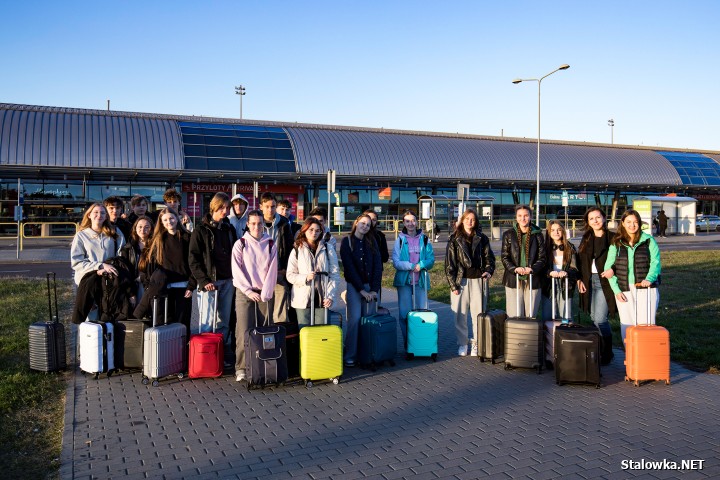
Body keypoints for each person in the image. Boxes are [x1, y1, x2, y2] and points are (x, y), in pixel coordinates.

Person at [132, 207, 196, 336]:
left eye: (171, 218)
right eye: (165, 220)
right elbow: (152, 265)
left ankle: (182, 352)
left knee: (182, 324)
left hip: (183, 287)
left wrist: (192, 284)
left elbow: (194, 262)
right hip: (164, 287)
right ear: (161, 222)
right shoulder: (159, 239)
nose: (169, 222)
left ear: (176, 219)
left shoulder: (187, 237)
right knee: (165, 324)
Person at [231, 209, 278, 382]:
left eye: (259, 223)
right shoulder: (240, 244)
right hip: (245, 293)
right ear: (247, 225)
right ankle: (241, 368)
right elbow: (236, 271)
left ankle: (264, 363)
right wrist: (249, 291)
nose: (257, 226)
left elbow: (273, 269)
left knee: (265, 330)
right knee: (244, 330)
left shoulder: (270, 243)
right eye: (253, 223)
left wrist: (265, 292)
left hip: (264, 293)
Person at [604, 209, 661, 342]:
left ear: (639, 223)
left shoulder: (648, 240)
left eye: (635, 222)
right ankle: (631, 357)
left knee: (646, 323)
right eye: (628, 222)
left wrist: (649, 279)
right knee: (627, 324)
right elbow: (608, 267)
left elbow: (655, 262)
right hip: (624, 288)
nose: (632, 225)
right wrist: (617, 291)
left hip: (645, 288)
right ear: (623, 223)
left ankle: (645, 356)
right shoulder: (616, 242)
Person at [444, 209, 495, 356]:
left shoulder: (482, 238)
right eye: (467, 219)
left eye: (472, 219)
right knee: (459, 315)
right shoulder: (454, 238)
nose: (469, 222)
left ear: (476, 221)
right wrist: (453, 285)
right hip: (461, 281)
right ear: (462, 220)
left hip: (478, 280)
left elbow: (489, 258)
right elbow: (449, 264)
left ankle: (477, 343)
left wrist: (489, 270)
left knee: (478, 314)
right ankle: (462, 343)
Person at [188, 192, 237, 343]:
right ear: (214, 207)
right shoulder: (200, 230)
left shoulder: (229, 229)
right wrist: (204, 280)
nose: (225, 211)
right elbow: (193, 258)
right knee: (206, 321)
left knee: (224, 321)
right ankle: (204, 355)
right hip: (210, 282)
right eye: (222, 207)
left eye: (227, 208)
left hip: (228, 280)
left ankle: (221, 353)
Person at [70, 203, 125, 324]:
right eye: (96, 212)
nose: (99, 215)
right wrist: (98, 266)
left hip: (109, 281)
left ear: (106, 216)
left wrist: (110, 268)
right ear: (89, 215)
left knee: (108, 317)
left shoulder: (114, 233)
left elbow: (122, 256)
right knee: (91, 322)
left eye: (102, 213)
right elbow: (76, 262)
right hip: (88, 282)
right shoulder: (81, 235)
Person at [340, 214, 382, 367]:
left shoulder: (372, 242)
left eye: (368, 225)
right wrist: (361, 291)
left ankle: (366, 354)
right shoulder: (347, 241)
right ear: (356, 222)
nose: (365, 226)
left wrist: (374, 290)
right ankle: (350, 354)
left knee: (368, 321)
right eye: (363, 223)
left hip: (370, 287)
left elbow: (378, 266)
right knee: (355, 320)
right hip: (354, 287)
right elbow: (349, 268)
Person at [576, 207, 617, 365]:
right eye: (591, 218)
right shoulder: (586, 238)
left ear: (604, 218)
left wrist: (612, 270)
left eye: (598, 217)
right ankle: (600, 349)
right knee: (593, 318)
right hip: (588, 280)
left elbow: (621, 259)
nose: (595, 221)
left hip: (604, 281)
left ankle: (608, 352)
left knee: (600, 319)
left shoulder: (612, 237)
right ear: (588, 222)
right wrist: (579, 279)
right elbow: (580, 261)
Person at [286, 218, 340, 328]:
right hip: (303, 299)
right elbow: (290, 275)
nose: (314, 233)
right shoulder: (297, 249)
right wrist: (305, 277)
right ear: (304, 230)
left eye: (317, 230)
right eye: (311, 230)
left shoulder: (327, 248)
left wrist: (330, 296)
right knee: (305, 333)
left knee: (321, 333)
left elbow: (335, 275)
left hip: (322, 299)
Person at [393, 210, 435, 346]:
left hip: (420, 280)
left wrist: (421, 265)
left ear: (417, 222)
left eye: (413, 220)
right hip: (404, 281)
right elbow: (396, 262)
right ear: (403, 223)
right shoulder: (399, 240)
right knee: (405, 314)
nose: (411, 223)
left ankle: (422, 342)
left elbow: (431, 259)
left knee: (423, 312)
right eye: (407, 221)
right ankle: (408, 343)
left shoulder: (424, 239)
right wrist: (411, 266)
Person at [501, 205, 546, 318]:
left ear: (530, 216)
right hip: (513, 278)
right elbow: (505, 257)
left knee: (531, 314)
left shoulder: (538, 234)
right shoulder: (509, 234)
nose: (523, 218)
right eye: (520, 216)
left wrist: (533, 269)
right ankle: (515, 335)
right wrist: (514, 268)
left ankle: (529, 335)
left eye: (526, 215)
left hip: (532, 278)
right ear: (516, 217)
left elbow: (542, 258)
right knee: (514, 314)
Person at [259, 192, 294, 323]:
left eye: (273, 206)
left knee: (280, 309)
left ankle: (280, 335)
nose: (270, 209)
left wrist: (285, 269)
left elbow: (289, 248)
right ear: (261, 206)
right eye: (267, 206)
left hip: (279, 272)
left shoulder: (284, 223)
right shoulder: (255, 221)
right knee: (263, 310)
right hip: (260, 276)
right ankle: (263, 336)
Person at [540, 220, 578, 322]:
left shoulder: (570, 248)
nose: (556, 232)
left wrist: (567, 272)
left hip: (565, 284)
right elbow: (541, 266)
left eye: (559, 230)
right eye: (552, 230)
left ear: (563, 232)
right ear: (548, 232)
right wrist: (548, 272)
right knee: (547, 314)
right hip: (548, 285)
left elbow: (574, 268)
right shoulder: (544, 248)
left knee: (565, 315)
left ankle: (565, 334)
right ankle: (548, 335)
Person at [120, 216, 154, 310]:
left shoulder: (155, 247)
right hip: (133, 287)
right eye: (140, 226)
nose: (143, 229)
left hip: (149, 286)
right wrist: (131, 293)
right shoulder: (128, 248)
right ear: (135, 228)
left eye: (147, 227)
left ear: (151, 230)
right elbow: (124, 272)